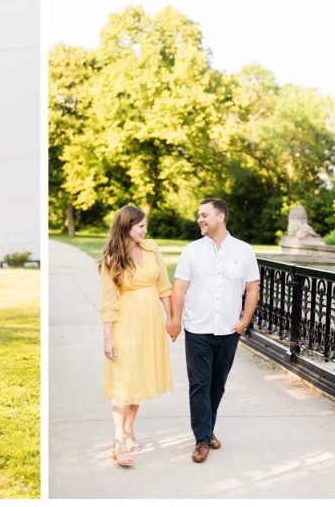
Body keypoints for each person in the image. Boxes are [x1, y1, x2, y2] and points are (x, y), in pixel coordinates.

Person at [168, 198, 260, 463]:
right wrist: (175, 320)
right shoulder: (191, 251)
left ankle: (207, 429)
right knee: (199, 385)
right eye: (199, 215)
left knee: (217, 386)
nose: (200, 219)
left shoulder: (244, 251)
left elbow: (252, 287)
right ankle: (201, 440)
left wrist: (244, 321)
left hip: (228, 330)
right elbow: (179, 288)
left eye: (205, 215)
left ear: (221, 217)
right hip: (197, 329)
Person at [98, 205, 173, 468]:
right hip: (125, 325)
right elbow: (108, 301)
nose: (145, 229)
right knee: (124, 382)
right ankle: (118, 441)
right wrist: (108, 337)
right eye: (140, 226)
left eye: (144, 225)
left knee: (139, 379)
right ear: (126, 227)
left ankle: (129, 430)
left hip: (150, 324)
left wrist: (172, 319)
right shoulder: (111, 257)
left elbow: (164, 287)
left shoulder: (152, 248)